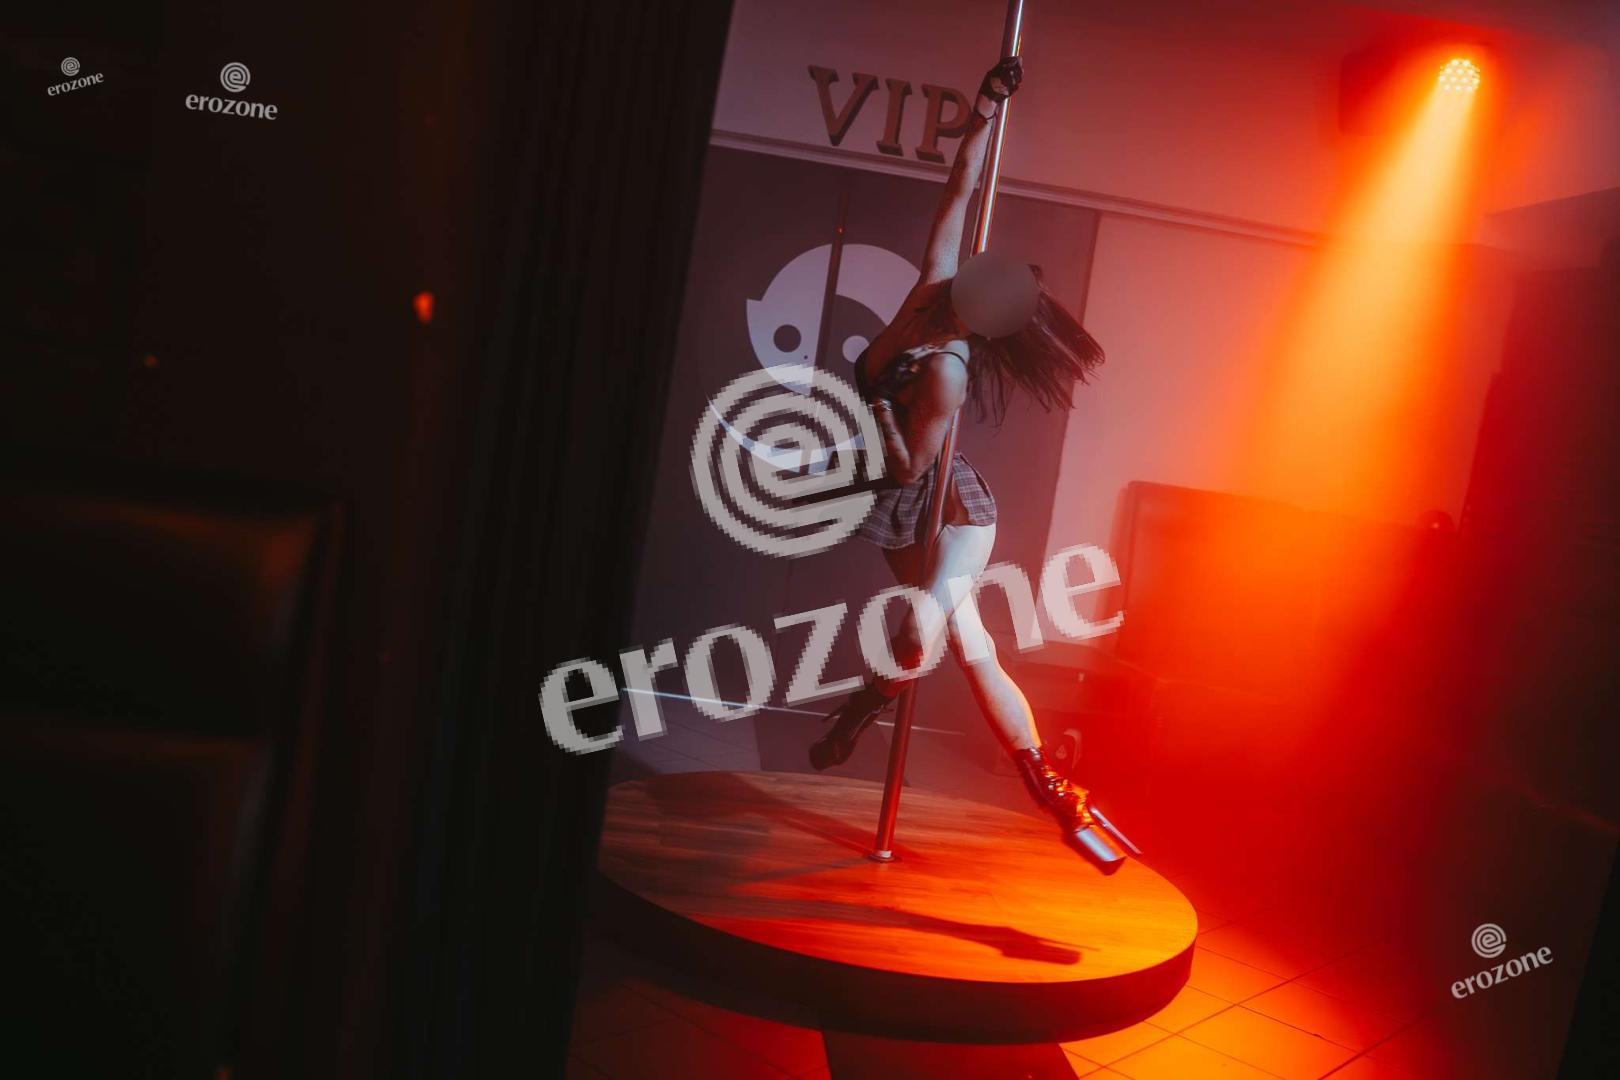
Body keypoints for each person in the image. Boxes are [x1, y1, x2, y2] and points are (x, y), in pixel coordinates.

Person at [806, 56, 1134, 871]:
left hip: (949, 512)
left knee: (940, 635)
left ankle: (1053, 793)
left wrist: (866, 424)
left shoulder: (946, 375)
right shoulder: (931, 286)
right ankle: (867, 705)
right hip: (900, 515)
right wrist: (984, 109)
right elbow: (957, 190)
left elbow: (906, 470)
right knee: (935, 642)